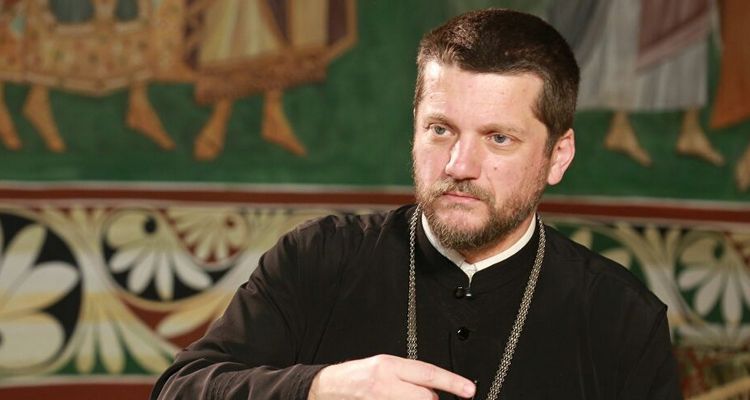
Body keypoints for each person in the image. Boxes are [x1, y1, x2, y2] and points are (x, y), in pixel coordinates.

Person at [151, 8, 682, 400]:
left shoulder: (622, 319)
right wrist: (320, 387)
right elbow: (179, 389)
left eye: (498, 138)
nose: (459, 164)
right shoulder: (316, 259)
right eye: (440, 129)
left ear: (557, 157)